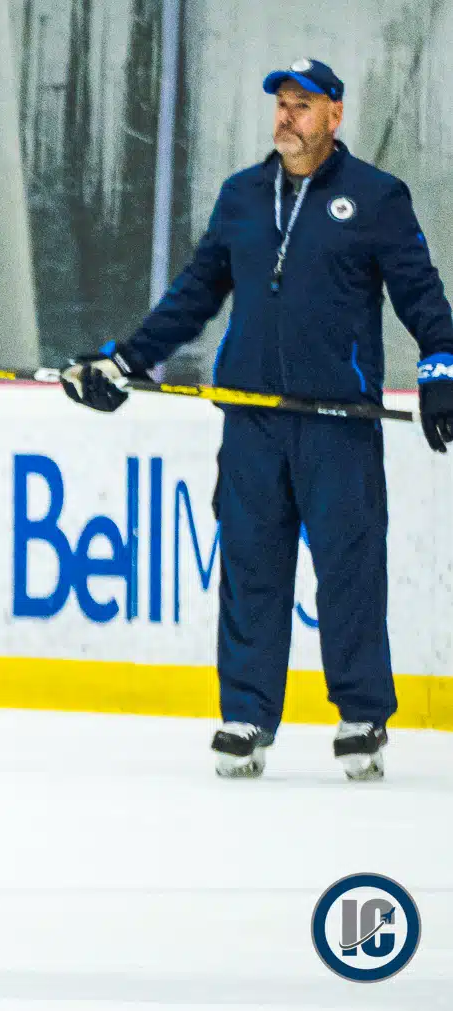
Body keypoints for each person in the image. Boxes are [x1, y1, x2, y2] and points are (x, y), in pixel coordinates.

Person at [60, 58, 453, 781]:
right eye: (281, 103)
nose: (287, 116)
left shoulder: (376, 197)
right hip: (250, 419)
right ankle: (245, 715)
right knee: (250, 567)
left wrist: (441, 368)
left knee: (349, 571)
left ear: (334, 115)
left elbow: (421, 294)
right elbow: (195, 293)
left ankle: (362, 716)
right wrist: (127, 360)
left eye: (302, 104)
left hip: (338, 420)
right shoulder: (242, 196)